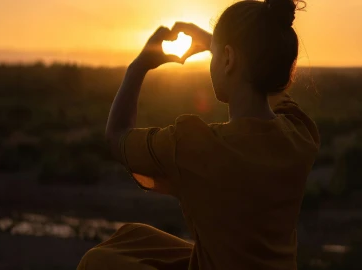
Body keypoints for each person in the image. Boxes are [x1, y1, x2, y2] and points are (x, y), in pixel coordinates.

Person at [78, 0, 320, 269]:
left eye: (214, 54)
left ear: (228, 59)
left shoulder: (197, 146)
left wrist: (138, 66)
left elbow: (116, 137)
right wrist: (218, 43)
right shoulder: (300, 133)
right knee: (133, 237)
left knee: (97, 261)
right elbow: (271, 90)